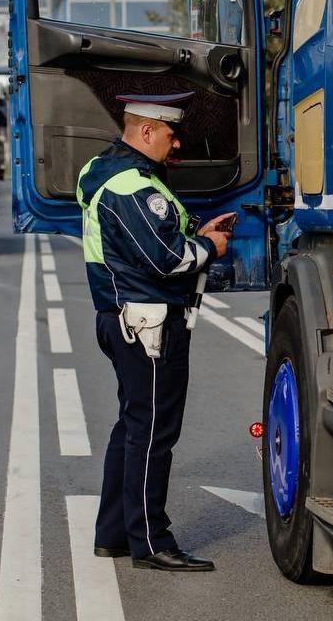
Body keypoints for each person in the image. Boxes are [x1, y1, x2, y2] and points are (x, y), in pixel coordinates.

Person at [76, 92, 234, 572]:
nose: (177, 141)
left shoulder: (105, 172)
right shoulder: (131, 185)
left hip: (125, 317)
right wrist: (209, 244)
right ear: (146, 131)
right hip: (149, 322)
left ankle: (114, 534)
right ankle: (151, 542)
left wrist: (197, 232)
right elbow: (168, 259)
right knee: (152, 434)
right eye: (170, 132)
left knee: (132, 426)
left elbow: (150, 241)